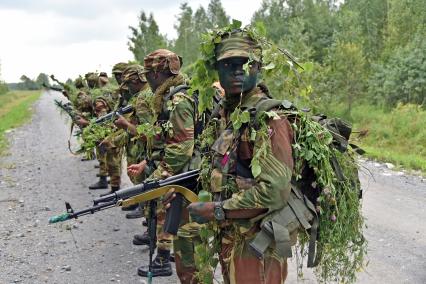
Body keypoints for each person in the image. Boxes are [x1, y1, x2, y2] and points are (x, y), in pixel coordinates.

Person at [166, 29, 295, 283]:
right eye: (228, 65)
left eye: (245, 64)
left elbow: (275, 192)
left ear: (258, 68)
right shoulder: (225, 114)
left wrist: (216, 210)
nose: (237, 71)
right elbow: (220, 170)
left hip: (259, 244)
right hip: (233, 238)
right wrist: (183, 188)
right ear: (217, 71)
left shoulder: (269, 119)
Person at [135, 49, 197, 279]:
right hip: (181, 173)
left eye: (149, 75)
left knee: (185, 237)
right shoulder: (169, 96)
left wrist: (157, 177)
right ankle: (165, 258)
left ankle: (165, 260)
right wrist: (148, 163)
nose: (147, 80)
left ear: (159, 74)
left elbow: (182, 148)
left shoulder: (178, 100)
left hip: (185, 176)